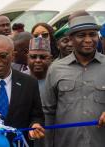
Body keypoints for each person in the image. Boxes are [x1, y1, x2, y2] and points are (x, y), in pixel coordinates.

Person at [44, 11, 105, 147]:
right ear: (71, 38)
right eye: (81, 35)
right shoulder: (55, 68)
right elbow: (48, 112)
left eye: (93, 34)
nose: (88, 40)